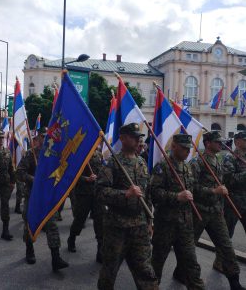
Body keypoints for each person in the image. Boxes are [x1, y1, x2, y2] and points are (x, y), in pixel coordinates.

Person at [175, 131, 244, 290]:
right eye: (217, 141)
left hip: (215, 212)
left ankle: (234, 280)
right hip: (199, 212)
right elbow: (190, 188)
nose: (221, 144)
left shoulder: (218, 161)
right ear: (207, 143)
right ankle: (180, 271)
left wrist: (221, 192)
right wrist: (213, 191)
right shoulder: (197, 163)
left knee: (226, 246)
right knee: (188, 247)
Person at [97, 123, 158, 290]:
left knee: (146, 270)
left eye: (139, 137)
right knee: (110, 271)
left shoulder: (142, 163)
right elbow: (100, 192)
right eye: (133, 136)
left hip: (139, 226)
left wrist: (149, 221)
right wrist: (125, 194)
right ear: (123, 138)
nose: (138, 139)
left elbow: (148, 195)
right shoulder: (112, 163)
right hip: (117, 226)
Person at [150, 134, 205, 289]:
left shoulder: (187, 168)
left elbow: (194, 190)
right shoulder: (163, 166)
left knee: (191, 263)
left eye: (189, 148)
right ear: (174, 147)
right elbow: (154, 193)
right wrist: (177, 197)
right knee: (157, 263)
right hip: (166, 224)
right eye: (184, 148)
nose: (187, 151)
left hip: (185, 225)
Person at [16, 128, 69, 272]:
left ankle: (55, 258)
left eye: (47, 137)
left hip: (47, 197)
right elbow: (19, 173)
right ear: (38, 139)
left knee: (52, 226)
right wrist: (34, 179)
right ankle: (29, 249)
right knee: (29, 224)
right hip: (32, 196)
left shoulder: (54, 155)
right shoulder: (31, 154)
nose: (46, 139)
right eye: (43, 137)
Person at [213, 131, 246, 273]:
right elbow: (228, 180)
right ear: (237, 141)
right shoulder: (230, 158)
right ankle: (219, 261)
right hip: (233, 202)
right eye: (244, 140)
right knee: (227, 234)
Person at [67, 149, 104, 263]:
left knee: (100, 221)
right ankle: (72, 238)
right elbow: (72, 174)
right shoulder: (79, 154)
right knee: (80, 219)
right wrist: (86, 179)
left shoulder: (99, 155)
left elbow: (102, 171)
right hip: (83, 193)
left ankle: (100, 251)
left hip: (97, 193)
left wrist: (100, 177)